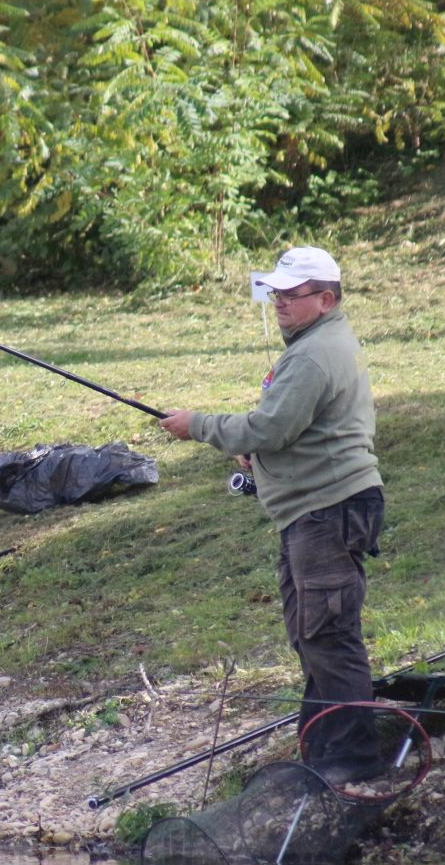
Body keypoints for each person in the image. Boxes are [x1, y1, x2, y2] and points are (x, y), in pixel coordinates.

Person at [159, 246, 386, 784]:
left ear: (325, 299)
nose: (279, 302)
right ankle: (324, 753)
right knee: (312, 635)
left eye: (292, 294)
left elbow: (270, 429)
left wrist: (199, 426)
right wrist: (257, 452)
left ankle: (355, 761)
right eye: (275, 292)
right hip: (314, 511)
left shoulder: (311, 354)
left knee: (329, 636)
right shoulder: (318, 343)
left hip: (327, 510)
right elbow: (295, 429)